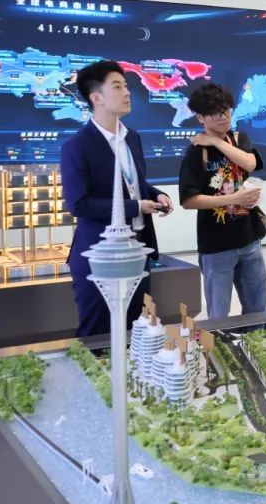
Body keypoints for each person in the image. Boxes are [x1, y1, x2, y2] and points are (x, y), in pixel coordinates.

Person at [60, 60, 172, 337]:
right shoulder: (77, 146)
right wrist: (137, 206)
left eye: (126, 86)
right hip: (100, 255)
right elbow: (79, 204)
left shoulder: (131, 138)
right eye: (118, 86)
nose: (127, 92)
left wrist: (156, 194)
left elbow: (133, 183)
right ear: (96, 98)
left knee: (137, 331)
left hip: (137, 251)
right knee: (98, 335)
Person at [178, 83, 266, 319]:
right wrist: (234, 198)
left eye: (227, 110)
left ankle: (254, 342)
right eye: (216, 113)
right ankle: (219, 345)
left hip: (250, 237)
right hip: (216, 244)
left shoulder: (239, 138)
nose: (224, 117)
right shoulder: (196, 152)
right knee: (219, 314)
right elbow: (188, 200)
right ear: (200, 117)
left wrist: (217, 142)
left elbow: (250, 163)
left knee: (259, 309)